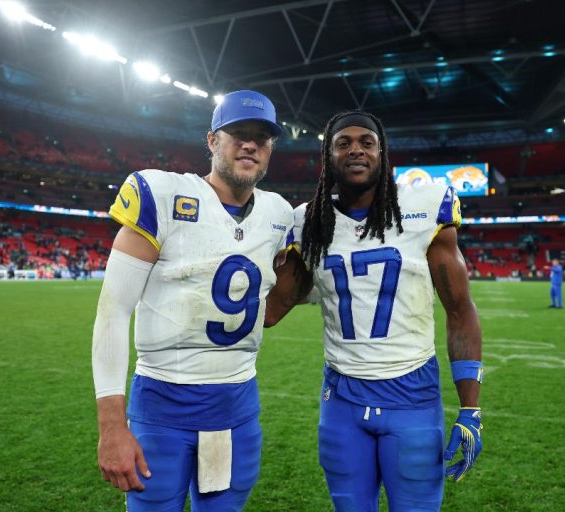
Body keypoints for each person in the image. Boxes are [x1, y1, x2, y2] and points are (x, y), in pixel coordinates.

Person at [266, 111, 483, 511]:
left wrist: (471, 408)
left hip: (412, 393)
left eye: (366, 142)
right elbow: (272, 309)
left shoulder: (423, 206)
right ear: (328, 156)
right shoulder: (308, 220)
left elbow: (460, 309)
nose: (355, 150)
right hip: (342, 397)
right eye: (343, 143)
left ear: (383, 154)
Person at [91, 90, 295, 512]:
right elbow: (113, 312)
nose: (250, 144)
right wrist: (112, 425)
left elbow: (272, 302)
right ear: (212, 141)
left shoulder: (278, 215)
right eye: (237, 132)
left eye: (262, 136)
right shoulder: (163, 195)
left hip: (235, 408)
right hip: (163, 405)